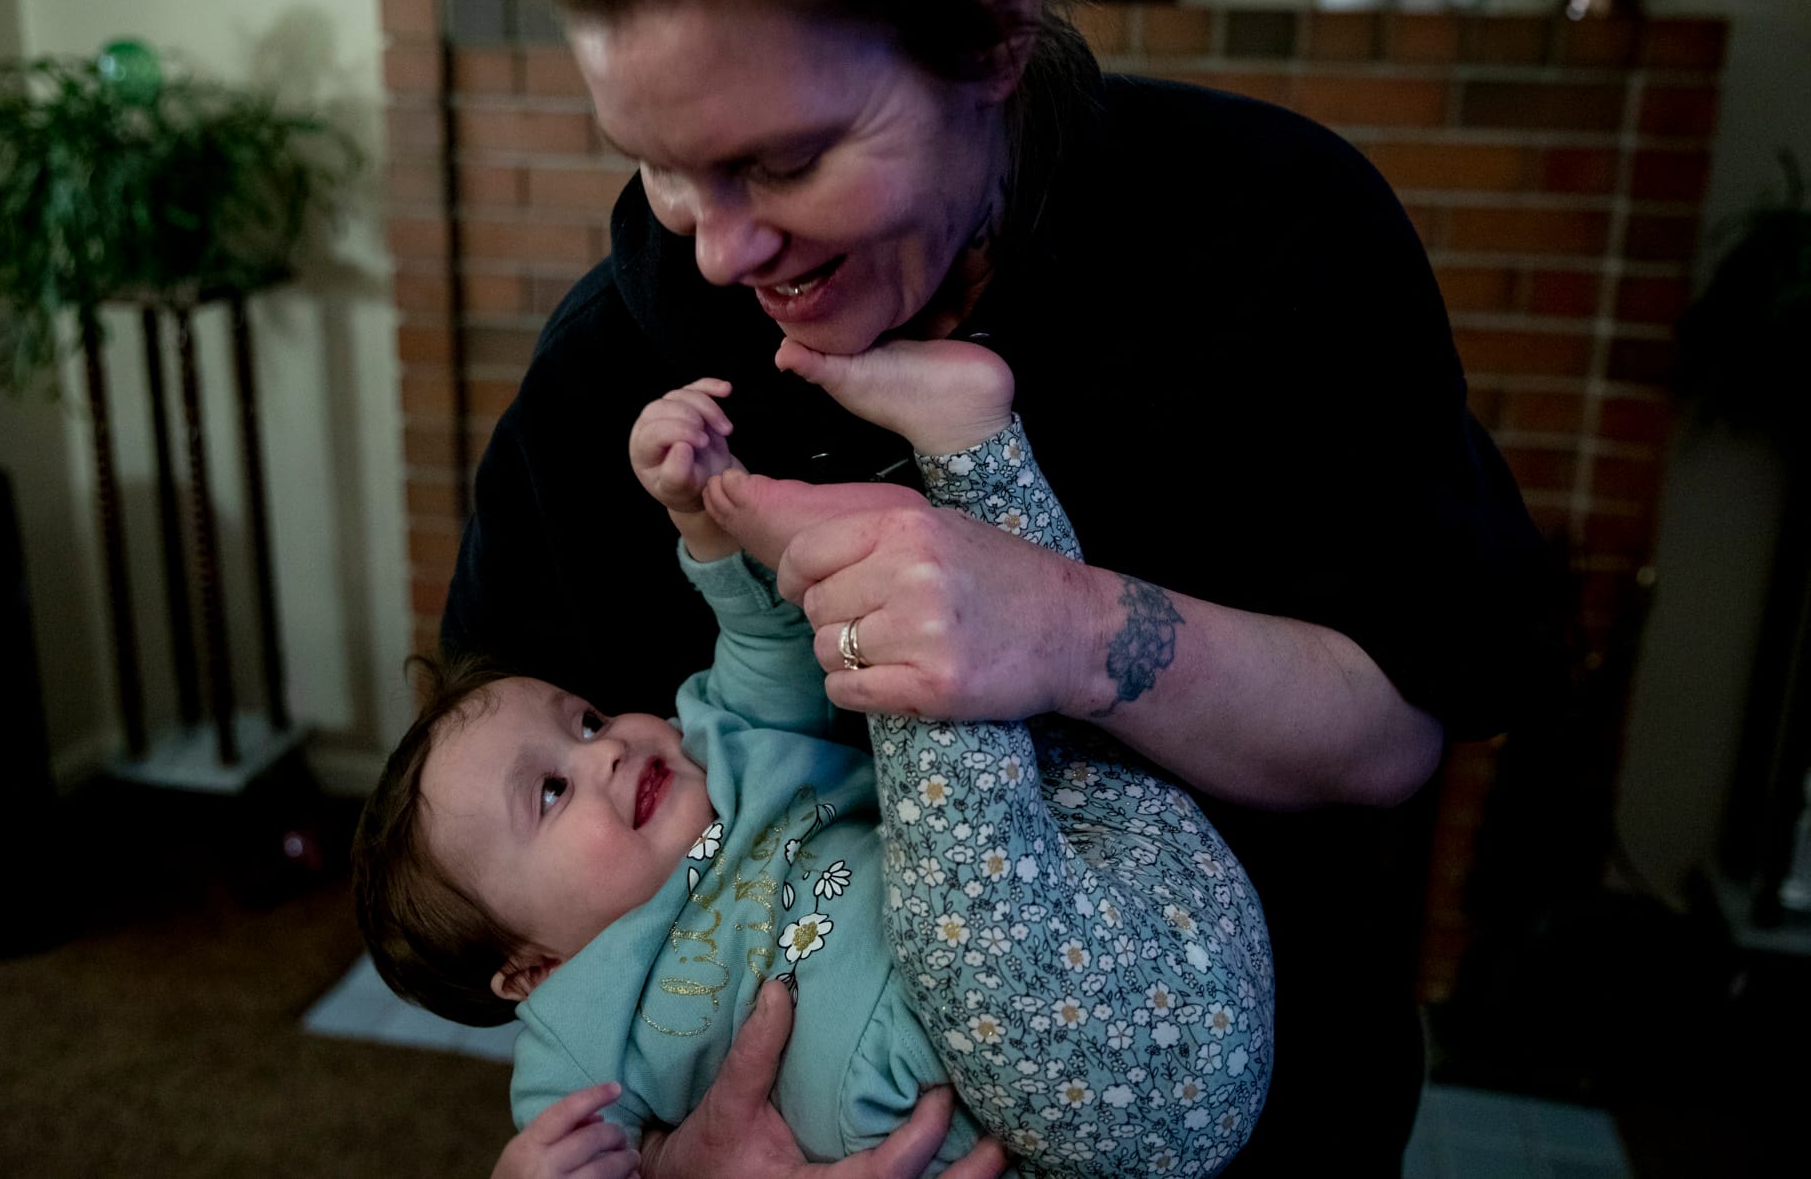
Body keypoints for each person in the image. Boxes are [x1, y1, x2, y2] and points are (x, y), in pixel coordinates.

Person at [446, 0, 1560, 1174]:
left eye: (787, 160)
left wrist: (1068, 627)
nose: (717, 249)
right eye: (660, 167)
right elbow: (490, 875)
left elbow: (1395, 731)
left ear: (995, 33)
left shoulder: (1276, 232)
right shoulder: (610, 375)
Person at [361, 340, 1273, 1177]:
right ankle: (967, 460)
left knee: (972, 691)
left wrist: (706, 512)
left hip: (1099, 950)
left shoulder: (722, 746)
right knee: (975, 700)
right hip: (1064, 1102)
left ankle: (936, 493)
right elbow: (598, 1161)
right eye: (552, 790)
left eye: (589, 720)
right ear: (529, 970)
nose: (604, 753)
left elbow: (758, 642)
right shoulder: (575, 1037)